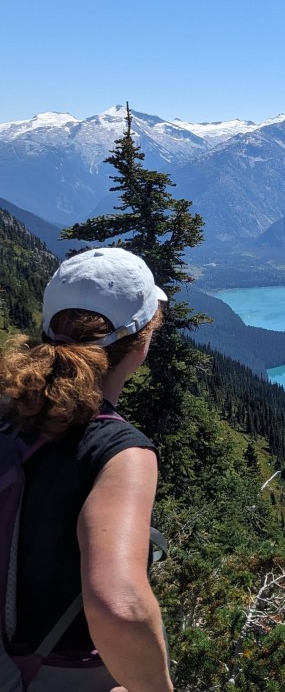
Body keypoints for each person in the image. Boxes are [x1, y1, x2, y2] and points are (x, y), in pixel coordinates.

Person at [0, 247, 174, 692]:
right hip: (55, 674)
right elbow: (119, 607)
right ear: (140, 346)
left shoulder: (7, 414)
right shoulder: (120, 451)